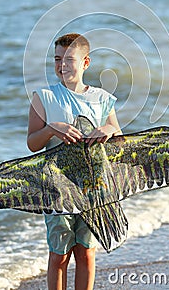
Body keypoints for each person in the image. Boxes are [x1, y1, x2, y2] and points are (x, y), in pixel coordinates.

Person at [27, 32, 122, 290]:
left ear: (85, 63)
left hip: (93, 188)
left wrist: (109, 130)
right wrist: (49, 129)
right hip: (57, 188)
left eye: (69, 59)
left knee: (86, 252)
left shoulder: (102, 98)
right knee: (59, 254)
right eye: (57, 59)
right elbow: (32, 143)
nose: (62, 65)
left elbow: (119, 139)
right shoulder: (43, 97)